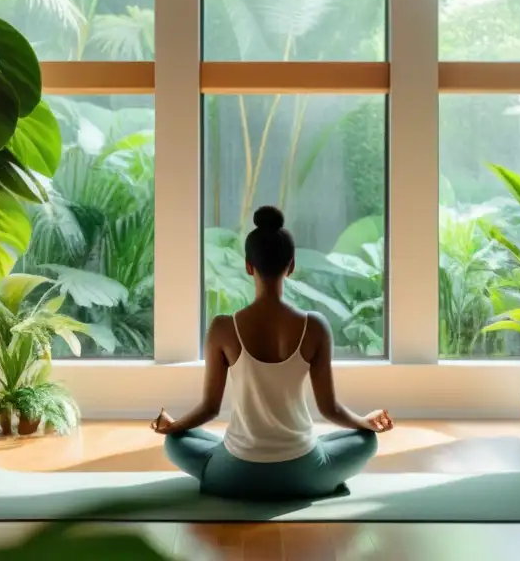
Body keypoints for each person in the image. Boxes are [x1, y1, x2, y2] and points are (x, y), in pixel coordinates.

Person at [150, 206, 393, 501]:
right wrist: (366, 422)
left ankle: (220, 470)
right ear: (291, 266)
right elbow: (330, 409)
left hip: (235, 474)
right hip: (304, 472)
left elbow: (209, 409)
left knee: (176, 442)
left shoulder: (223, 328)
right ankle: (308, 479)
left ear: (248, 266)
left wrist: (173, 427)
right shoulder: (314, 327)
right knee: (365, 441)